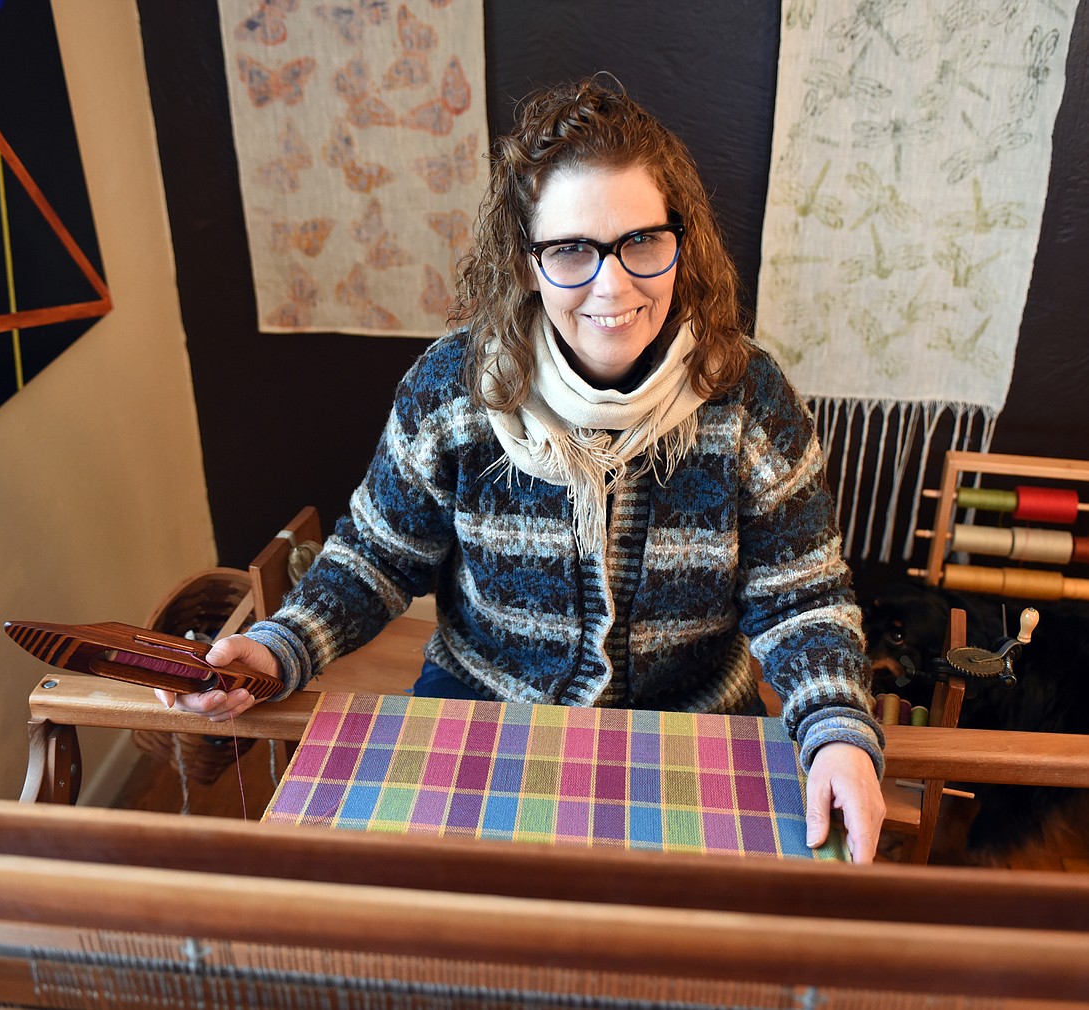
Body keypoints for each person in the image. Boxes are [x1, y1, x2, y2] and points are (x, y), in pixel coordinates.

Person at [160, 75, 886, 862]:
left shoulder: (749, 397)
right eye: (572, 250)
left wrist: (837, 729)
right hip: (482, 718)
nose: (613, 284)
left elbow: (801, 598)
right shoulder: (453, 390)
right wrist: (279, 647)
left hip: (690, 734)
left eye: (642, 242)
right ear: (527, 263)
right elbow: (375, 558)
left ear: (685, 242)